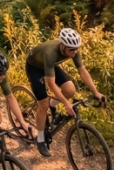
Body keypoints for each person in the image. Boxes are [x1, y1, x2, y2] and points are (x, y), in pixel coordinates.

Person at [25, 27, 105, 157]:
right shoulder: (51, 53)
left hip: (49, 65)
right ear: (62, 46)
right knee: (43, 104)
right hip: (34, 67)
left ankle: (53, 105)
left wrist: (96, 92)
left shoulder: (73, 50)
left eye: (76, 48)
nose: (74, 52)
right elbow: (51, 84)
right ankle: (40, 139)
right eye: (71, 49)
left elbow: (82, 71)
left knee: (70, 89)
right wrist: (66, 103)